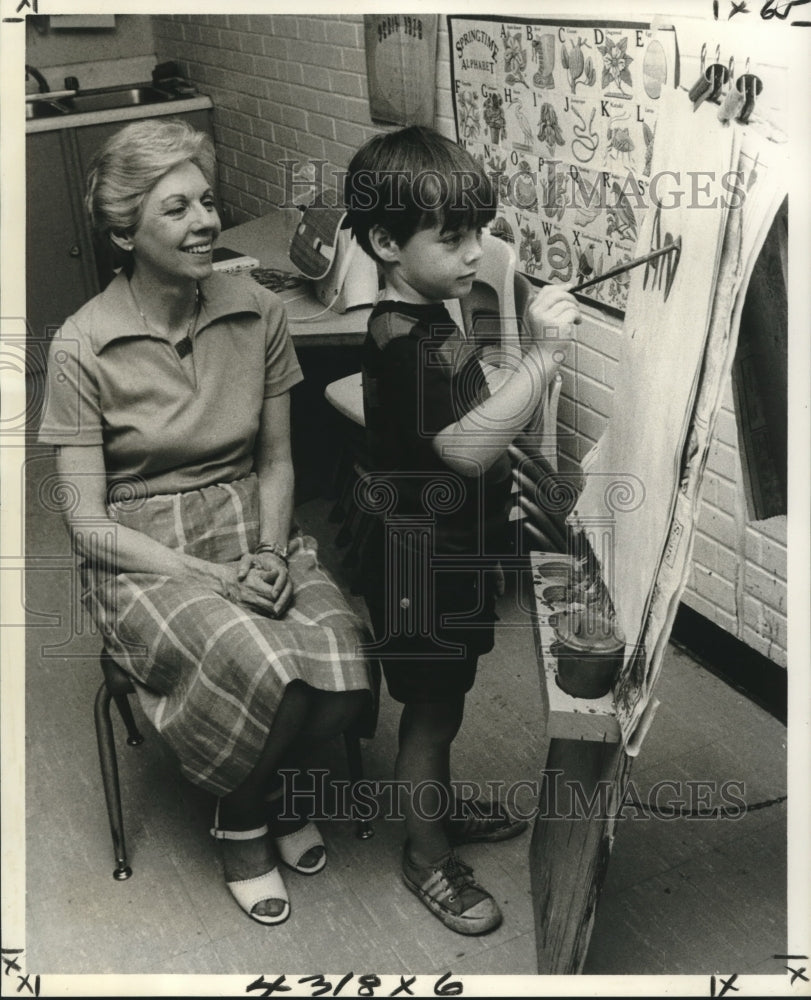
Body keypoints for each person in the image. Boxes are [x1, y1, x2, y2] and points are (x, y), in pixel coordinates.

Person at [37, 118, 373, 927]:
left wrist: (267, 551)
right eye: (176, 209)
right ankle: (244, 819)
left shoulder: (258, 311)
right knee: (265, 666)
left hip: (250, 521)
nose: (205, 222)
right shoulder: (81, 344)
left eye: (207, 201)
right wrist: (215, 577)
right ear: (124, 231)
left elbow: (277, 463)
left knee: (344, 661)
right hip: (143, 550)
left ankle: (278, 792)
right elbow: (85, 522)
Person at [345, 126, 581, 935]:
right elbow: (467, 447)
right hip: (417, 562)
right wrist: (545, 360)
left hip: (443, 549)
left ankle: (434, 809)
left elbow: (470, 421)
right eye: (453, 239)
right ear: (385, 242)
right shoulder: (405, 339)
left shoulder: (430, 317)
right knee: (431, 713)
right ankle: (423, 854)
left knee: (448, 699)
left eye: (479, 233)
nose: (476, 254)